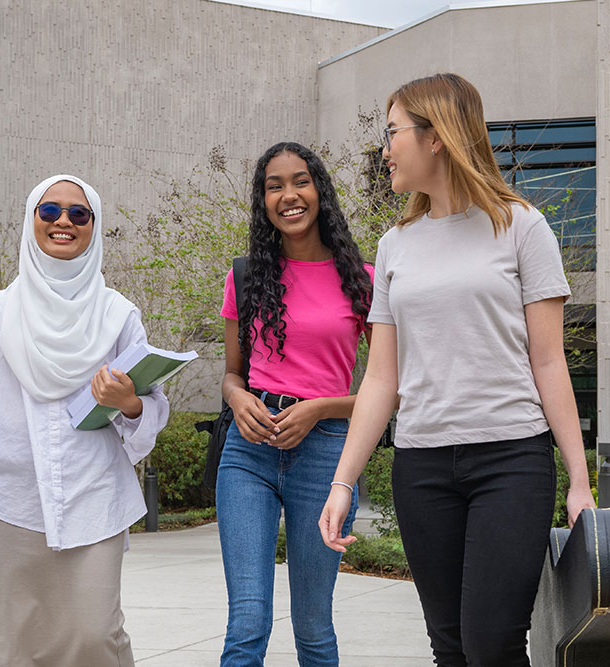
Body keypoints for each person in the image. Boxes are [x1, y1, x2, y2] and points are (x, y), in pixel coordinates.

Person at [319, 73, 596, 667]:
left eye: (393, 132)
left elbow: (548, 361)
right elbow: (381, 379)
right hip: (422, 467)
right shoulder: (395, 244)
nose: (385, 149)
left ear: (436, 135)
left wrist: (578, 477)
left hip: (511, 459)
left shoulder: (521, 225)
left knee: (491, 644)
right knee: (449, 648)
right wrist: (344, 482)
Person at [0, 174, 170, 666]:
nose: (63, 221)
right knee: (14, 645)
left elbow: (150, 407)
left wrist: (129, 402)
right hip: (9, 501)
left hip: (93, 497)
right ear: (31, 220)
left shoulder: (118, 314)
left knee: (94, 636)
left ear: (93, 227)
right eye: (49, 211)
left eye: (79, 214)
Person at [216, 141, 374, 666]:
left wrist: (318, 409)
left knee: (313, 626)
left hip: (327, 455)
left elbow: (390, 390)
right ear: (263, 201)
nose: (288, 195)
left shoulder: (363, 280)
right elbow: (232, 375)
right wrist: (238, 400)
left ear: (319, 190)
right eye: (273, 185)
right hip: (249, 451)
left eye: (299, 181)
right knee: (247, 623)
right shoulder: (245, 276)